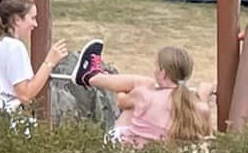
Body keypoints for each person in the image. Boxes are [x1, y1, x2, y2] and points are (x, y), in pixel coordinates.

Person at [75, 45, 213, 147]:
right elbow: (206, 129)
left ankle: (91, 76)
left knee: (143, 82)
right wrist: (203, 97)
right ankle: (94, 76)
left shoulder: (144, 95)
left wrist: (121, 87)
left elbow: (121, 102)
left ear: (162, 73)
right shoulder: (199, 108)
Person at [0, 0, 66, 118]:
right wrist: (49, 62)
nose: (35, 24)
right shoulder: (14, 47)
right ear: (17, 19)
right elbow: (25, 94)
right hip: (9, 123)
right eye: (32, 18)